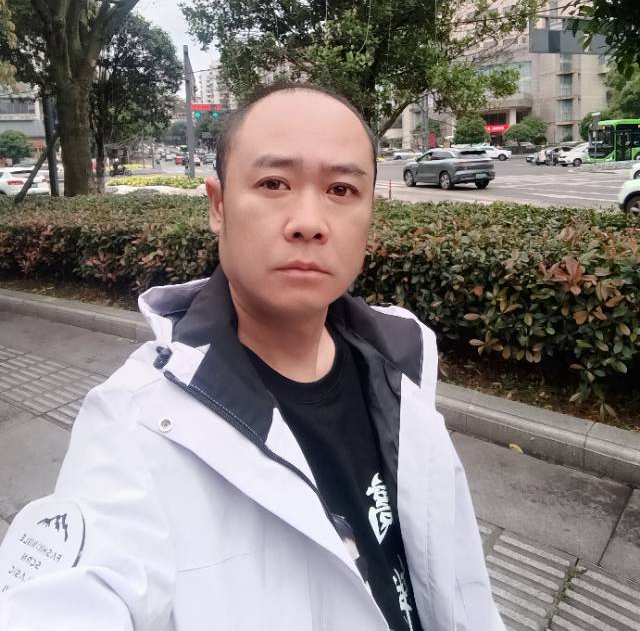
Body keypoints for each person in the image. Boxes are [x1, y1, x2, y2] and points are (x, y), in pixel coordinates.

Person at [0, 83, 504, 631]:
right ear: (218, 206)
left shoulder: (400, 356)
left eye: (341, 189)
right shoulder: (133, 426)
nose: (309, 221)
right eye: (273, 183)